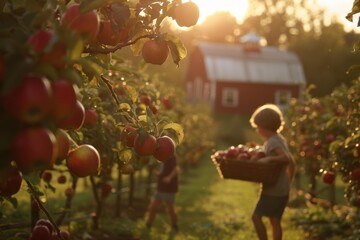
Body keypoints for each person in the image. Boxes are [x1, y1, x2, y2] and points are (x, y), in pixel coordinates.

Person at [249, 103, 296, 240]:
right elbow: (292, 163)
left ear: (264, 127)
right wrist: (288, 181)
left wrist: (267, 160)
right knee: (275, 221)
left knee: (256, 217)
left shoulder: (273, 142)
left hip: (274, 190)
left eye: (258, 127)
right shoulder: (278, 139)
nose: (257, 130)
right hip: (281, 189)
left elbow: (285, 158)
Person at [145, 154, 180, 232]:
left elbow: (176, 169)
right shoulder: (162, 156)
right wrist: (158, 174)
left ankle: (174, 225)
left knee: (170, 209)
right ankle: (148, 224)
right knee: (152, 207)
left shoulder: (171, 156)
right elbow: (164, 170)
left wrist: (169, 178)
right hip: (160, 187)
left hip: (169, 188)